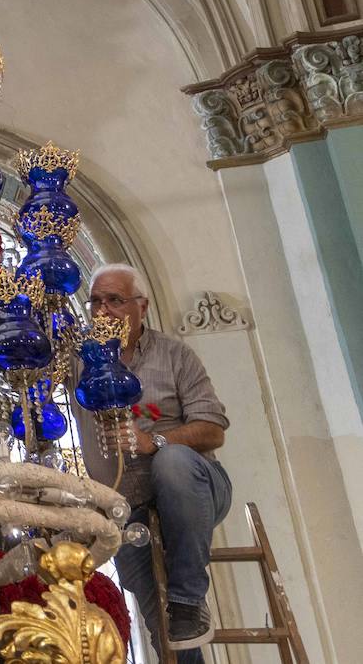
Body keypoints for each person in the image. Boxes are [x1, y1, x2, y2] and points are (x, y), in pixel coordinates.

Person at [80, 263, 232, 661]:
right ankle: (181, 621)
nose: (103, 310)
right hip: (127, 510)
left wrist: (155, 441)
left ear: (141, 307)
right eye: (95, 301)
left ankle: (186, 600)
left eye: (115, 300)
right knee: (170, 637)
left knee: (172, 463)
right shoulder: (80, 362)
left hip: (193, 488)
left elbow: (214, 428)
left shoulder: (175, 355)